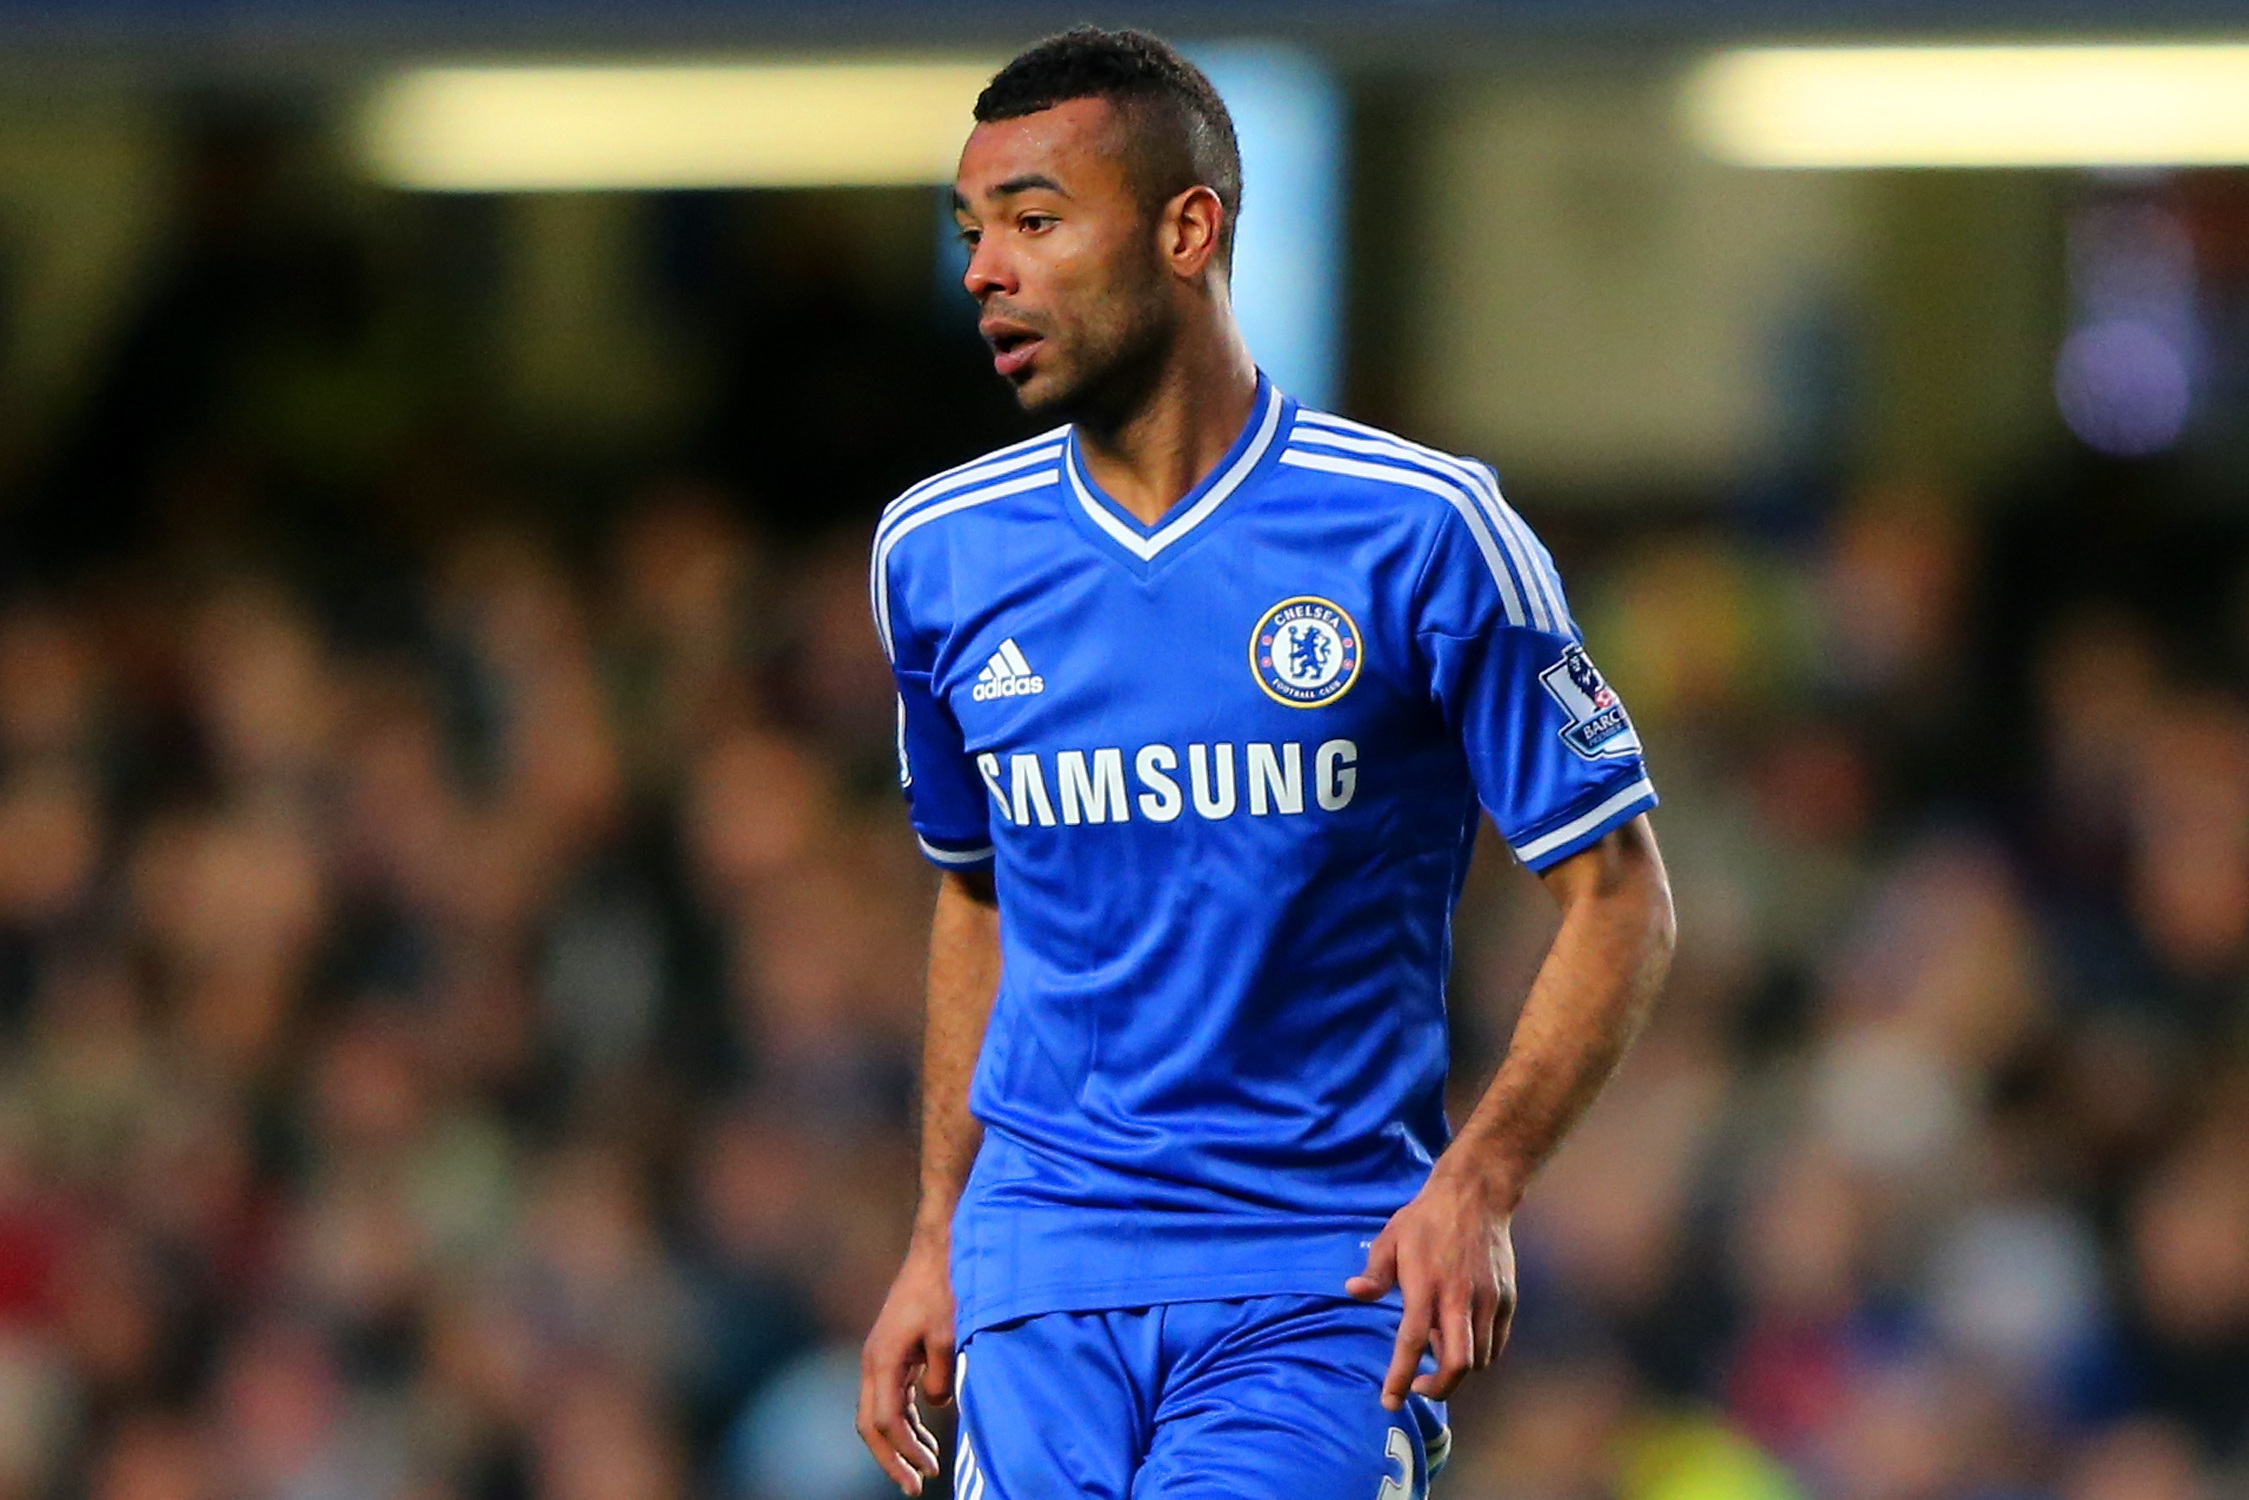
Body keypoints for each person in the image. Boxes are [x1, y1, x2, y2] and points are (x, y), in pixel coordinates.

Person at [857, 27, 1675, 1499]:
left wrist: (1478, 1182)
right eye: (972, 233)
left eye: (1035, 222)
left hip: (1315, 1279)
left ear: (1188, 229)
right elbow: (979, 897)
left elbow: (1617, 898)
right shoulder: (935, 554)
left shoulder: (1421, 532)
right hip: (1036, 1277)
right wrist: (934, 1235)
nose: (985, 270)